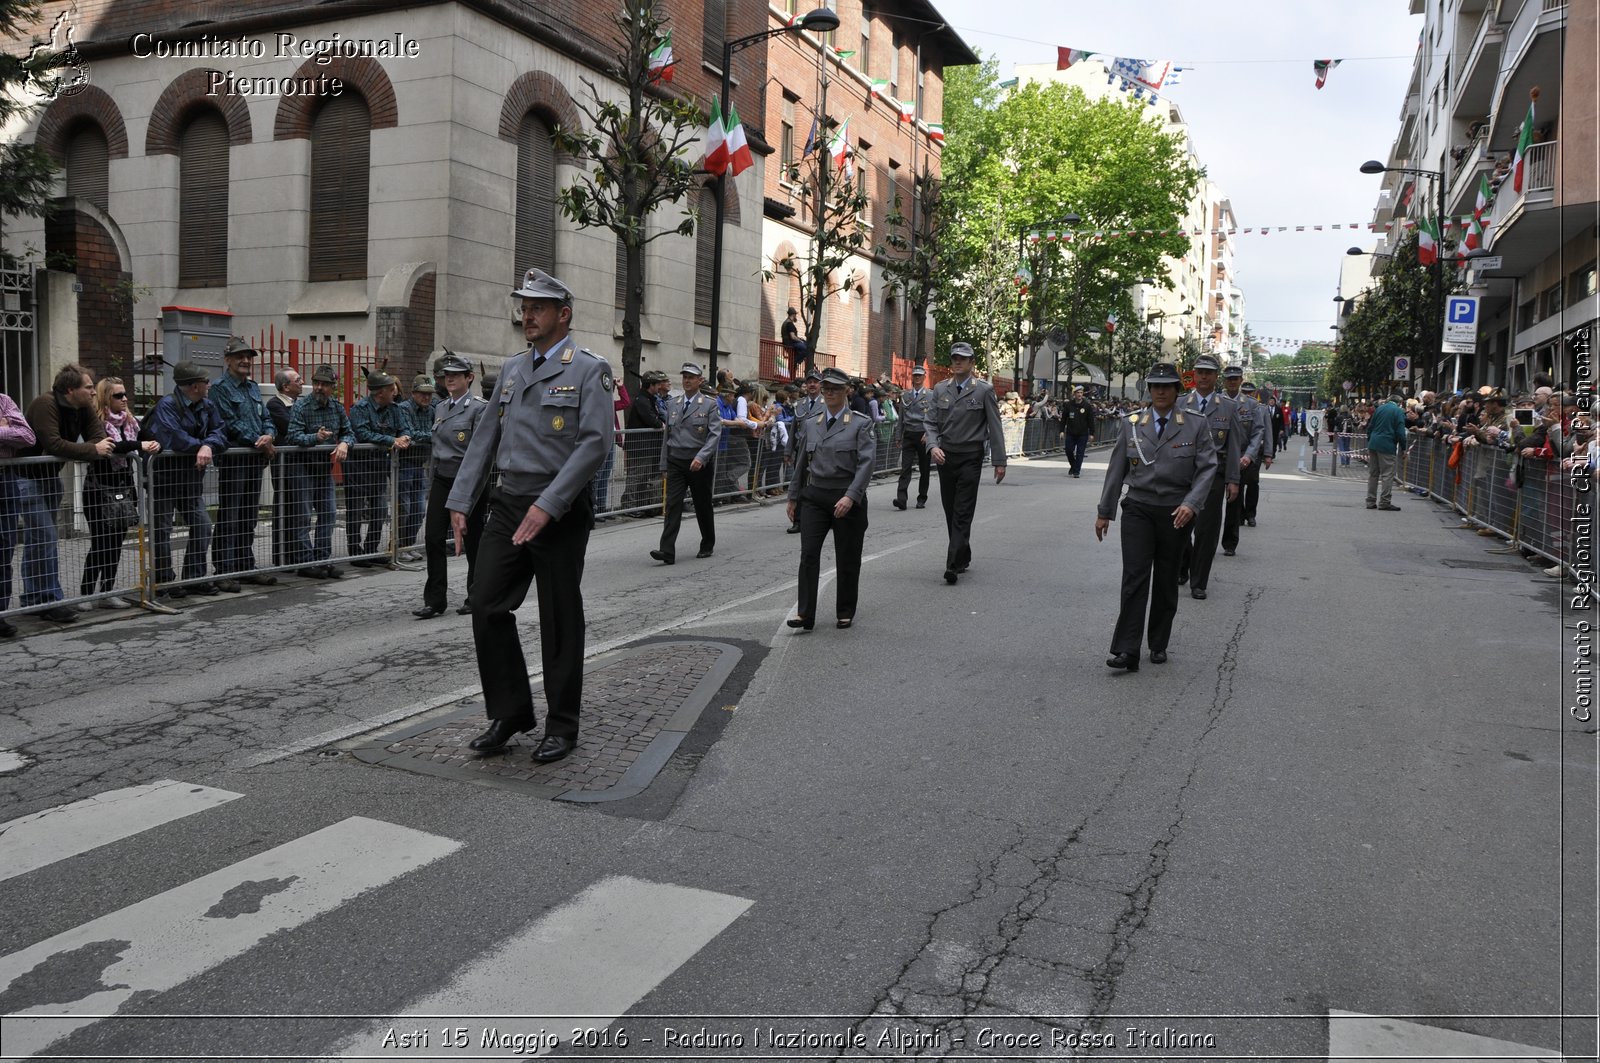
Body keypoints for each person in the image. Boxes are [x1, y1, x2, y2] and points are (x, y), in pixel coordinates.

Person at [446, 267, 612, 764]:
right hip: (508, 502)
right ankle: (512, 711)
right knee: (485, 602)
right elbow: (485, 439)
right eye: (523, 307)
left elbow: (594, 443)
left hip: (558, 509)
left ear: (563, 314)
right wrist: (461, 500)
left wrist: (549, 504)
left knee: (559, 618)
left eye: (537, 308)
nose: (527, 316)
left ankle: (563, 725)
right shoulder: (513, 368)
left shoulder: (589, 369)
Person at [1095, 362, 1218, 671]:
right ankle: (1127, 649)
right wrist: (1105, 512)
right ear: (1148, 390)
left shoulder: (1194, 423)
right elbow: (1116, 470)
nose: (1161, 391)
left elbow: (1206, 468)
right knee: (1135, 578)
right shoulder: (1132, 423)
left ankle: (1159, 642)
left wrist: (1192, 503)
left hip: (1176, 512)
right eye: (1155, 386)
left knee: (1165, 580)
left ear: (1178, 390)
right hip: (1138, 507)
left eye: (1167, 386)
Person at [786, 367, 876, 630]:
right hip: (815, 496)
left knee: (847, 556)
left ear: (847, 391)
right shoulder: (811, 423)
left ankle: (845, 610)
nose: (829, 393)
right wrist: (793, 497)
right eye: (826, 389)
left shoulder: (860, 423)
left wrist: (851, 496)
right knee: (809, 554)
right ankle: (805, 614)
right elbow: (802, 463)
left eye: (835, 389)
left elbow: (866, 465)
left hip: (846, 496)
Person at [19, 365, 110, 621]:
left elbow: (99, 437)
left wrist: (93, 447)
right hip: (26, 479)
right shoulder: (44, 404)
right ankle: (50, 600)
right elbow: (54, 443)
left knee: (38, 542)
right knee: (46, 538)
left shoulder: (83, 408)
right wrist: (92, 450)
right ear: (71, 390)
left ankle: (32, 599)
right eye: (89, 387)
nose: (94, 393)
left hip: (50, 479)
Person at [924, 341, 1006, 585]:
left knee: (962, 511)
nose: (957, 362)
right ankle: (963, 553)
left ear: (972, 363)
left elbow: (995, 426)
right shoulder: (940, 389)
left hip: (971, 456)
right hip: (945, 456)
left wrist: (999, 461)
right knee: (951, 510)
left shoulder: (983, 390)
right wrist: (933, 446)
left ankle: (952, 564)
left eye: (963, 358)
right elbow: (930, 423)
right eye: (954, 358)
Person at [145, 361, 228, 598]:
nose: (209, 385)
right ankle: (163, 581)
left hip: (190, 478)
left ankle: (194, 577)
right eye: (205, 381)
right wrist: (202, 446)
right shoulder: (167, 406)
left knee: (202, 525)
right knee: (162, 528)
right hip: (163, 476)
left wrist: (209, 445)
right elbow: (174, 438)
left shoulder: (207, 405)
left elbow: (220, 432)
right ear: (193, 387)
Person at [415, 351, 488, 619]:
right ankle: (435, 600)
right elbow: (437, 449)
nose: (450, 380)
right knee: (433, 537)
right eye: (446, 376)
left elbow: (480, 452)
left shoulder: (479, 408)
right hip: (443, 478)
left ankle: (476, 594)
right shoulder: (441, 407)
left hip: (469, 481)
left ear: (469, 377)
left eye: (456, 375)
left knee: (474, 540)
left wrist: (472, 487)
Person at [82, 377, 159, 607]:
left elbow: (151, 438)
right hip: (98, 490)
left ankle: (107, 591)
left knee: (116, 543)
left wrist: (154, 445)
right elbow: (111, 446)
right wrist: (139, 446)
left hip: (123, 490)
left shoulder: (130, 421)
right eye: (118, 395)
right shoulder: (96, 421)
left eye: (125, 394)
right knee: (100, 542)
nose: (124, 399)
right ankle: (86, 594)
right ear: (106, 397)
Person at [209, 337, 276, 589]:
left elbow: (265, 416)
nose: (246, 361)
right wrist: (261, 441)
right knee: (230, 515)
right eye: (240, 356)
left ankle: (245, 565)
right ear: (227, 360)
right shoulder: (220, 388)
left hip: (254, 460)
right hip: (235, 460)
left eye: (248, 357)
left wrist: (269, 435)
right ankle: (224, 570)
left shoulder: (253, 388)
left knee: (249, 515)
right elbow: (228, 422)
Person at [1175, 354, 1242, 600]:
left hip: (1213, 474)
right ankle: (1183, 567)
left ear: (1216, 377)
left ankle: (1199, 581)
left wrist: (1233, 479)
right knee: (1179, 524)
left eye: (1208, 373)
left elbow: (1234, 445)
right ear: (1194, 374)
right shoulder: (1180, 403)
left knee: (1207, 530)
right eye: (1200, 372)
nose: (1203, 377)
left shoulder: (1228, 406)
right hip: (1182, 474)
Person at [284, 364, 354, 578]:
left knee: (329, 513)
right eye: (316, 383)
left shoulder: (336, 407)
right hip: (302, 467)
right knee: (303, 515)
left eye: (324, 384)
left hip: (324, 468)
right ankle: (306, 562)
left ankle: (322, 559)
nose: (319, 387)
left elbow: (349, 432)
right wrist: (315, 437)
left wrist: (344, 443)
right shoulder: (301, 406)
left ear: (332, 387)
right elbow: (292, 436)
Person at [652, 363, 722, 563]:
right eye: (684, 377)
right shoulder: (673, 403)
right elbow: (668, 436)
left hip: (698, 462)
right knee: (672, 504)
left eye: (691, 377)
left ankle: (707, 542)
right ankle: (667, 550)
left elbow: (714, 434)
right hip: (676, 461)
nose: (687, 381)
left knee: (702, 504)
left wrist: (702, 457)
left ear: (700, 380)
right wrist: (664, 464)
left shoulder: (709, 404)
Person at [347, 369, 412, 566]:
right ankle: (355, 552)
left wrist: (405, 438)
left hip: (380, 465)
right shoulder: (360, 408)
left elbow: (405, 427)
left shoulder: (394, 408)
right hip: (358, 465)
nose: (395, 392)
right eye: (391, 389)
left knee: (380, 509)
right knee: (356, 510)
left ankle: (371, 549)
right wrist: (392, 439)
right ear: (379, 392)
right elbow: (363, 433)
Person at [0, 391, 37, 637]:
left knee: (5, 546)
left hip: (5, 480)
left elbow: (27, 436)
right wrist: (4, 429)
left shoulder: (3, 401)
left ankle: (0, 612)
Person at [1220, 366, 1265, 554]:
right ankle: (1205, 543)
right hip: (1217, 457)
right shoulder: (1215, 402)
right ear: (1224, 381)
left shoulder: (1251, 405)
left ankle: (1230, 543)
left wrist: (1249, 455)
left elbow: (1257, 432)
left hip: (1240, 458)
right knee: (1209, 504)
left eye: (1235, 378)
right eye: (1229, 378)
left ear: (1240, 380)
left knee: (1234, 502)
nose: (1232, 382)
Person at [394, 373, 435, 560]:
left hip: (420, 464)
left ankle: (408, 543)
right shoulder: (404, 408)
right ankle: (399, 546)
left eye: (429, 394)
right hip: (403, 464)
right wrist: (433, 435)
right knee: (404, 507)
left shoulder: (431, 410)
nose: (426, 397)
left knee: (419, 508)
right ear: (413, 393)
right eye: (422, 393)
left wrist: (431, 434)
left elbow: (437, 428)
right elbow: (410, 434)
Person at [267, 368, 303, 569]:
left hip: (299, 464)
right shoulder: (275, 404)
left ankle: (296, 552)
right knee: (284, 507)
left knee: (298, 509)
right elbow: (292, 428)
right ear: (285, 386)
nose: (301, 382)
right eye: (297, 380)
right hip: (284, 465)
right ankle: (282, 555)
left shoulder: (299, 404)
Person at [623, 370, 668, 513]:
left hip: (646, 445)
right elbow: (651, 419)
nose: (659, 387)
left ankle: (638, 505)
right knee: (635, 476)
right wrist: (661, 425)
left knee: (642, 475)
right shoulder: (642, 400)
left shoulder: (649, 399)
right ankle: (628, 506)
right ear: (651, 385)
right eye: (657, 384)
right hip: (639, 445)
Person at [789, 370, 825, 531]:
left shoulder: (827, 403)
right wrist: (787, 451)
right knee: (799, 484)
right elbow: (793, 430)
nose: (812, 384)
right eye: (809, 381)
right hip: (802, 450)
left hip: (820, 450)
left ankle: (823, 517)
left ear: (820, 385)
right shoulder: (800, 404)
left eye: (815, 382)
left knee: (820, 485)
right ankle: (798, 520)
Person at [894, 365, 933, 510]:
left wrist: (929, 433)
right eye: (914, 376)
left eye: (919, 376)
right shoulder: (905, 395)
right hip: (909, 434)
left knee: (924, 468)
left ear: (924, 377)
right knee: (905, 467)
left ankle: (922, 498)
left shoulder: (930, 395)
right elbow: (901, 418)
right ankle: (901, 499)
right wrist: (898, 435)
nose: (916, 378)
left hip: (923, 434)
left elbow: (933, 417)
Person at [1365, 391, 1409, 511]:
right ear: (1399, 403)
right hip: (1387, 445)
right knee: (1387, 474)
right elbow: (1400, 431)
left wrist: (1370, 441)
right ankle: (1384, 501)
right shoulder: (1398, 411)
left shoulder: (1379, 409)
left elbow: (1371, 426)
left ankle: (1370, 501)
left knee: (1373, 474)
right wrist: (1404, 447)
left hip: (1374, 443)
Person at [1237, 381, 1273, 524]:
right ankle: (1239, 514)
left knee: (1252, 484)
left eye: (1249, 393)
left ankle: (1251, 514)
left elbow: (1268, 432)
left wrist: (1268, 455)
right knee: (1236, 484)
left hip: (1255, 452)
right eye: (1244, 392)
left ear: (1254, 393)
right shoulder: (1235, 406)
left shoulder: (1262, 409)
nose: (1247, 395)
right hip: (1238, 451)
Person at [1060, 385, 1096, 477]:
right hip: (1071, 433)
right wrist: (1061, 431)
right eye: (1078, 393)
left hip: (1082, 433)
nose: (1079, 394)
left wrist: (1092, 433)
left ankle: (1076, 471)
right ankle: (1073, 465)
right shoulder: (1069, 405)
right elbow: (1063, 419)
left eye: (1081, 393)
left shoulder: (1087, 406)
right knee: (1068, 450)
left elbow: (1090, 420)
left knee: (1080, 453)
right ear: (1074, 394)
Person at [781, 306, 807, 378]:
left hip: (787, 342)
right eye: (795, 315)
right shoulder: (790, 324)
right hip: (790, 343)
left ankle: (796, 360)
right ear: (793, 315)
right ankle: (796, 361)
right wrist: (800, 341)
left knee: (805, 343)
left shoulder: (785, 322)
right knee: (806, 348)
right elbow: (792, 336)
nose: (796, 317)